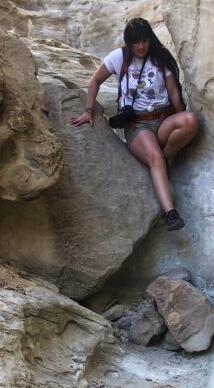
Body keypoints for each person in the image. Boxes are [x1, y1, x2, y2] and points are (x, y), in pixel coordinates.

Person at [70, 18, 199, 231]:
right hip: (137, 125)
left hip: (163, 119)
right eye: (135, 42)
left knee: (191, 120)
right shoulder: (119, 57)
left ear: (150, 39)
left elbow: (175, 95)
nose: (141, 46)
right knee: (154, 157)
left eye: (144, 40)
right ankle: (170, 213)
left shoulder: (159, 58)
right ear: (128, 42)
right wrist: (88, 110)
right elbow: (95, 81)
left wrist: (179, 121)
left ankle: (166, 155)